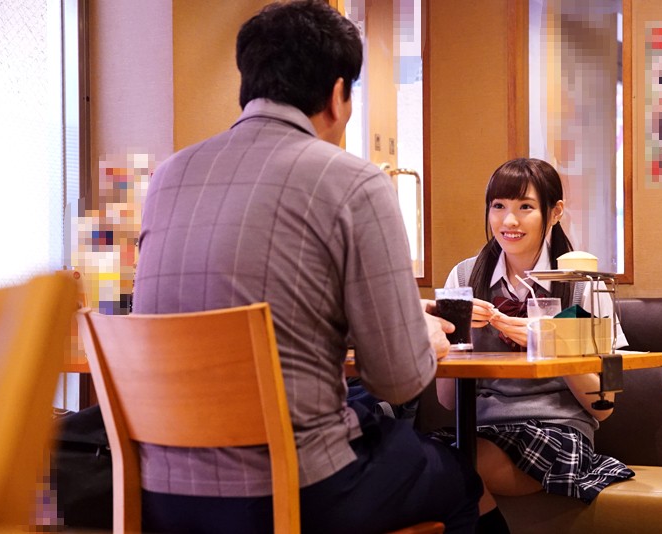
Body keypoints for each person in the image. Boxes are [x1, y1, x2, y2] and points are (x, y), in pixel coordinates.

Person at [132, 2, 481, 533]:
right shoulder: (354, 182)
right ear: (339, 95)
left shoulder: (168, 177)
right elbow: (397, 380)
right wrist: (424, 340)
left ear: (248, 82)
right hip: (294, 490)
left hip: (164, 492)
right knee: (456, 475)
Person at [437, 158, 633, 529]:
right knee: (424, 460)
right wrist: (456, 335)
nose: (509, 221)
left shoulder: (584, 284)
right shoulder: (464, 277)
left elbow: (606, 404)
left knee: (453, 467)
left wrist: (552, 341)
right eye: (499, 206)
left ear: (555, 212)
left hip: (555, 430)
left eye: (525, 207)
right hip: (478, 429)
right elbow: (447, 400)